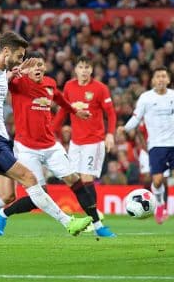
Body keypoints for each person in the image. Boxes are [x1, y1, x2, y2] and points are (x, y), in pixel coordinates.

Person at [0, 32, 92, 247]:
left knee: (7, 196)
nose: (21, 60)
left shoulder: (3, 73)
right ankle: (69, 223)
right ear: (6, 52)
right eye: (19, 56)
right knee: (30, 179)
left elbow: (1, 79)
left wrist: (16, 72)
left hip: (0, 138)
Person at [0, 52, 116, 238]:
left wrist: (75, 111)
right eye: (33, 65)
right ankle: (2, 214)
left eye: (40, 65)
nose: (38, 68)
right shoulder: (17, 84)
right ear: (26, 68)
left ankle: (98, 225)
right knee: (38, 196)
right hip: (27, 148)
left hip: (50, 145)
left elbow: (59, 99)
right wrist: (13, 74)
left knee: (76, 181)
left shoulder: (50, 84)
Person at [120, 66, 174, 229]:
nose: (161, 79)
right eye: (158, 76)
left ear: (168, 80)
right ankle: (160, 204)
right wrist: (125, 128)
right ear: (153, 80)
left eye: (164, 76)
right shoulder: (146, 98)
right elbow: (137, 117)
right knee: (157, 181)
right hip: (156, 145)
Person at [52, 55, 117, 228]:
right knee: (74, 179)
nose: (84, 71)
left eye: (87, 67)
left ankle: (94, 219)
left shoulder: (100, 88)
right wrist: (50, 131)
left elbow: (110, 113)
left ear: (92, 70)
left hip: (94, 141)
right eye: (81, 67)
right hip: (76, 142)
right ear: (75, 69)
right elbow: (63, 112)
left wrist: (110, 134)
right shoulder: (69, 86)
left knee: (86, 177)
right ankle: (95, 214)